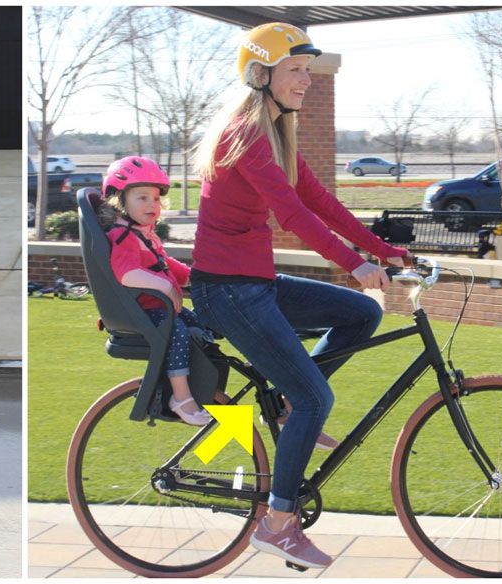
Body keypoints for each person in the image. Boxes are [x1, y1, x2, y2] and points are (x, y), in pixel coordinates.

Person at [187, 23, 411, 569]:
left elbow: (319, 201)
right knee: (317, 398)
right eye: (295, 69)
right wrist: (355, 264)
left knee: (359, 315)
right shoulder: (244, 134)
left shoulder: (276, 132)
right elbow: (291, 216)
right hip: (227, 292)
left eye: (307, 70)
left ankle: (288, 410)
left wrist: (383, 250)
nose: (306, 80)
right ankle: (278, 524)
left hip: (254, 284)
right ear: (259, 74)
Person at [99, 156, 211, 425]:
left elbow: (164, 263)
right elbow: (126, 273)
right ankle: (180, 397)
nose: (152, 204)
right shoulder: (122, 236)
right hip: (146, 312)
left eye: (156, 198)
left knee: (202, 326)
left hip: (159, 308)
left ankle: (199, 384)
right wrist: (166, 286)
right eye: (142, 197)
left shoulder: (142, 233)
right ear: (119, 201)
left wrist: (194, 277)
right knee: (179, 333)